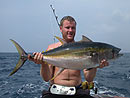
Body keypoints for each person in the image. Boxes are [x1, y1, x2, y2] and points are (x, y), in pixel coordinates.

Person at [28, 16, 109, 98]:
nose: (70, 30)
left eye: (73, 28)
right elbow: (46, 78)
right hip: (55, 92)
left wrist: (95, 64)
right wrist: (43, 64)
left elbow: (88, 78)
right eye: (67, 27)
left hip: (77, 91)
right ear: (61, 28)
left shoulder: (82, 48)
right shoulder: (52, 48)